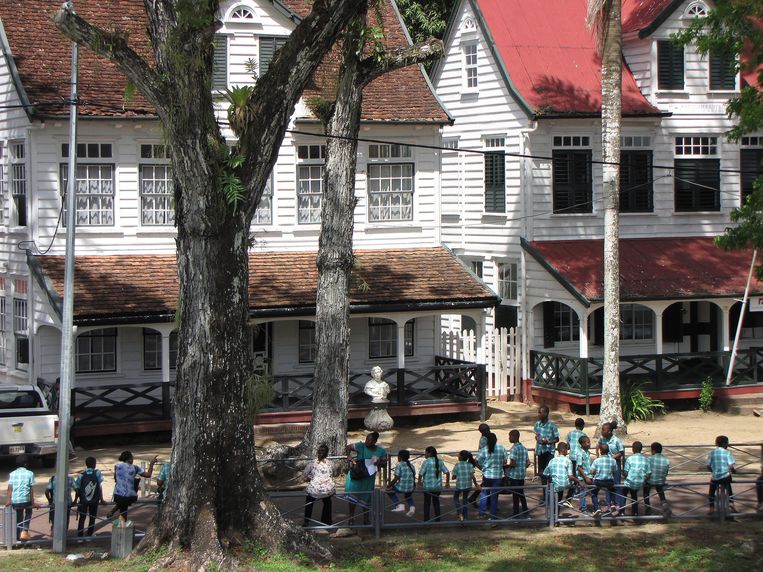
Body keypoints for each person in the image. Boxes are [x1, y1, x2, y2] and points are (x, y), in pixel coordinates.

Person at [344, 432, 387, 525]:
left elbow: (384, 464)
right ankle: (351, 518)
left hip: (369, 478)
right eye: (367, 439)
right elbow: (348, 447)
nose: (367, 441)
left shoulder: (381, 451)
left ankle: (366, 519)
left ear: (375, 441)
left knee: (366, 498)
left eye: (370, 440)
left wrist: (379, 463)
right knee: (353, 498)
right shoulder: (360, 446)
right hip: (357, 475)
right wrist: (349, 456)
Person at [109, 451, 157, 521]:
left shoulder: (117, 466)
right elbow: (148, 475)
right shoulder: (135, 467)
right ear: (130, 459)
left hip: (117, 495)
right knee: (136, 481)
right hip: (130, 497)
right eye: (132, 458)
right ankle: (121, 521)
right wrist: (152, 464)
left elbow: (116, 479)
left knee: (122, 506)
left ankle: (114, 511)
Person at [476, 432, 508, 521]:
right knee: (494, 496)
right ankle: (493, 516)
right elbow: (505, 461)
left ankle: (482, 513)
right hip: (498, 476)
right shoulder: (501, 448)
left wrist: (482, 468)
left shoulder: (484, 450)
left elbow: (477, 461)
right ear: (496, 440)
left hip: (487, 475)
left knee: (484, 494)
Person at [5, 455, 38, 542]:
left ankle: (17, 537)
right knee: (28, 512)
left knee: (18, 518)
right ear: (26, 464)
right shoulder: (30, 473)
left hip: (15, 500)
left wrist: (8, 500)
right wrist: (33, 502)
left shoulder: (12, 474)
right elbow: (31, 489)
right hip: (26, 500)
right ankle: (25, 531)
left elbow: (9, 488)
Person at [303, 444, 336, 527]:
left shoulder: (312, 463)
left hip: (314, 489)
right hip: (327, 490)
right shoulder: (331, 463)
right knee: (327, 502)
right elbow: (334, 473)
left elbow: (304, 475)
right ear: (327, 453)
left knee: (309, 502)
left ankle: (306, 521)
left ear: (317, 452)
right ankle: (326, 521)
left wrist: (310, 477)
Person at [74, 456, 105, 538]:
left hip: (83, 500)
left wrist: (75, 499)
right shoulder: (97, 473)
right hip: (94, 499)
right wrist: (101, 499)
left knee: (82, 518)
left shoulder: (81, 475)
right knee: (92, 517)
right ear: (94, 464)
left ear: (86, 464)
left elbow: (77, 488)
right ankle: (89, 534)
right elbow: (99, 486)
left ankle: (80, 536)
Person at [418, 446, 450, 522]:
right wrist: (447, 483)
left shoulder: (426, 462)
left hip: (427, 487)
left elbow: (421, 474)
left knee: (427, 503)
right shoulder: (440, 461)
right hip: (437, 487)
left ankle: (426, 520)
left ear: (429, 453)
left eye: (425, 453)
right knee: (436, 502)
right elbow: (447, 472)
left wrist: (419, 483)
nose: (425, 454)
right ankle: (438, 519)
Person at [598, 421, 624, 508]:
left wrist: (612, 458)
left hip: (615, 463)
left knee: (616, 484)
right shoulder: (602, 439)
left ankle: (618, 504)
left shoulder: (616, 440)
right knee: (608, 483)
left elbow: (621, 452)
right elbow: (599, 445)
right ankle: (608, 504)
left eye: (603, 430)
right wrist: (598, 455)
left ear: (609, 431)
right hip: (606, 464)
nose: (602, 431)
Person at [707, 435, 735, 515]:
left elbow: (708, 466)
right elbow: (731, 466)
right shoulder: (728, 453)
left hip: (715, 477)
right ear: (724, 444)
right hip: (726, 477)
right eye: (727, 443)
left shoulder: (711, 453)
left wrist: (713, 471)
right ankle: (731, 504)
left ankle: (711, 508)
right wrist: (734, 471)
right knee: (729, 489)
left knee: (711, 492)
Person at [542, 442, 576, 509]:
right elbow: (570, 476)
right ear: (564, 450)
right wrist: (579, 481)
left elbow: (545, 473)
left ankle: (554, 512)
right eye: (567, 450)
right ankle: (568, 500)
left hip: (555, 486)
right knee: (575, 483)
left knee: (556, 493)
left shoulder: (552, 460)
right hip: (565, 484)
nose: (567, 451)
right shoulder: (568, 461)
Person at [534, 406, 559, 490]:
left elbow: (557, 439)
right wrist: (538, 439)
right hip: (540, 451)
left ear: (546, 413)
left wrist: (547, 442)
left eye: (540, 412)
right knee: (542, 473)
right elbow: (536, 435)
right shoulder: (537, 424)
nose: (538, 414)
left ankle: (551, 492)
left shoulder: (552, 425)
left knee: (549, 473)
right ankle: (545, 493)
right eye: (538, 412)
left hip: (549, 452)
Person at [506, 429, 530, 518]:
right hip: (522, 474)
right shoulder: (524, 448)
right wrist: (523, 467)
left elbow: (513, 463)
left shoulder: (514, 449)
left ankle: (516, 512)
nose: (509, 438)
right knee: (521, 493)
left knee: (515, 495)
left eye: (510, 436)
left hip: (514, 475)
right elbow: (528, 462)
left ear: (514, 437)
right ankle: (525, 510)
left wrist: (506, 466)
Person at [622, 441, 650, 517]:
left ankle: (621, 511)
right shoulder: (646, 459)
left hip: (630, 482)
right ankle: (635, 513)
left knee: (623, 493)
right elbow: (648, 474)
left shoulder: (629, 459)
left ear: (633, 449)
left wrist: (625, 475)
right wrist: (644, 480)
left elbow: (625, 473)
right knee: (634, 494)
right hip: (640, 483)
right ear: (641, 449)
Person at [590, 443, 618, 517]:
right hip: (609, 481)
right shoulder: (613, 460)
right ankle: (612, 503)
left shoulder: (597, 461)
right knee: (612, 490)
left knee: (593, 493)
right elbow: (615, 470)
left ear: (600, 451)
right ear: (608, 451)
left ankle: (596, 508)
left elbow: (592, 471)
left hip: (599, 481)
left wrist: (596, 472)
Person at [644, 442, 671, 517]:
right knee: (660, 491)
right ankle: (664, 505)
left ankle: (647, 508)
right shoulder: (666, 460)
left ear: (653, 451)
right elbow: (666, 473)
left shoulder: (649, 459)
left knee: (646, 492)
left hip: (650, 481)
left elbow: (647, 472)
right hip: (661, 481)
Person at [387, 449, 416, 516]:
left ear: (400, 457)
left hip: (401, 487)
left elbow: (396, 478)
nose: (398, 457)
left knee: (389, 491)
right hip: (411, 487)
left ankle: (399, 505)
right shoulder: (412, 465)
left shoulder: (399, 465)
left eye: (398, 456)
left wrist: (389, 486)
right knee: (408, 496)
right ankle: (412, 508)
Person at [452, 450, 478, 521]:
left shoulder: (457, 465)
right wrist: (476, 484)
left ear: (460, 457)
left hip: (459, 486)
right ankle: (465, 517)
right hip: (468, 485)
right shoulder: (470, 465)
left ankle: (459, 513)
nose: (457, 456)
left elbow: (454, 476)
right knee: (465, 500)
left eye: (458, 455)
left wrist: (453, 477)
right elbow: (473, 477)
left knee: (455, 498)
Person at [574, 436, 596, 513]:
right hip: (582, 477)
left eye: (589, 442)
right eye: (587, 442)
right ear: (582, 444)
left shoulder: (587, 452)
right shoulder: (580, 453)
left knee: (593, 491)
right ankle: (583, 508)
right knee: (582, 492)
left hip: (589, 475)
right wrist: (585, 477)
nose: (589, 444)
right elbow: (579, 467)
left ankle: (596, 507)